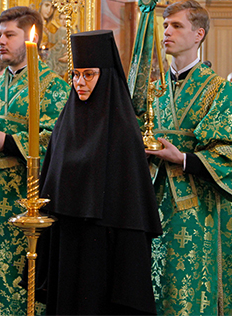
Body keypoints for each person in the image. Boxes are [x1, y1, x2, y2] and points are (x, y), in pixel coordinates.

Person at [37, 30, 161, 314]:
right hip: (66, 239)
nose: (80, 82)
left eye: (89, 75)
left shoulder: (124, 129)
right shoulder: (65, 123)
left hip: (104, 246)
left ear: (105, 76)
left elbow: (130, 206)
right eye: (76, 75)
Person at [145, 0, 232, 315]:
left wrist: (183, 158)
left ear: (198, 35)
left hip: (198, 209)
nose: (167, 32)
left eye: (177, 26)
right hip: (151, 204)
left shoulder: (220, 90)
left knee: (188, 291)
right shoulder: (152, 87)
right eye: (165, 25)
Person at [0, 7, 69, 315]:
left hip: (25, 203)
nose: (1, 41)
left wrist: (8, 142)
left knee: (21, 280)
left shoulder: (54, 88)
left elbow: (58, 142)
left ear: (31, 36)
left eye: (9, 35)